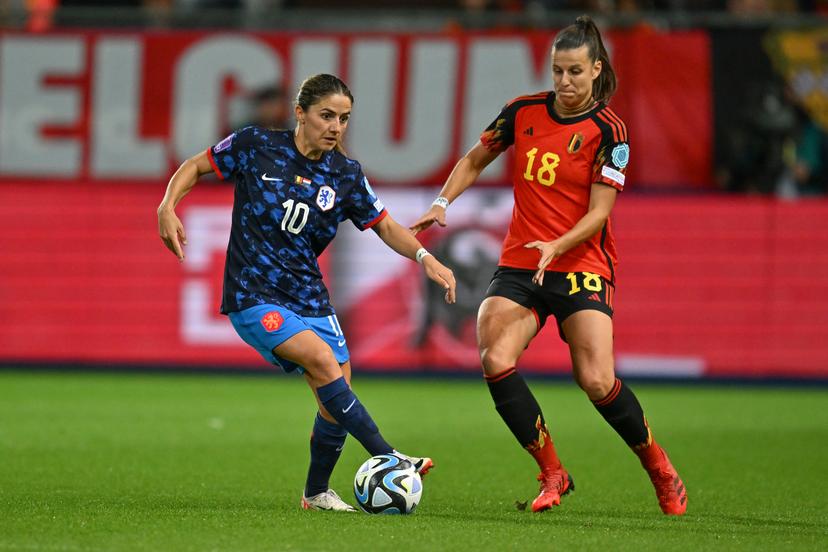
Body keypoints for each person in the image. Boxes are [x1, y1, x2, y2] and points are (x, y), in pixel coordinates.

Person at [411, 16, 687, 515]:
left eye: (575, 72)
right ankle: (552, 473)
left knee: (596, 380)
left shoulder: (611, 132)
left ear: (596, 69)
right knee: (494, 357)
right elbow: (475, 159)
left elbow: (600, 212)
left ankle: (658, 467)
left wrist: (557, 245)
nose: (564, 82)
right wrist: (442, 203)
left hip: (581, 262)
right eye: (558, 70)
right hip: (522, 261)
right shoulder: (522, 111)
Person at [158, 73, 456, 512]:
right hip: (253, 292)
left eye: (344, 119)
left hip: (309, 295)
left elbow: (387, 225)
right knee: (321, 362)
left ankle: (316, 493)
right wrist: (167, 205)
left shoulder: (345, 175)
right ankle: (389, 454)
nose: (336, 127)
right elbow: (196, 166)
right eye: (326, 116)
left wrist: (426, 259)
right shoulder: (256, 145)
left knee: (336, 393)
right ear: (300, 113)